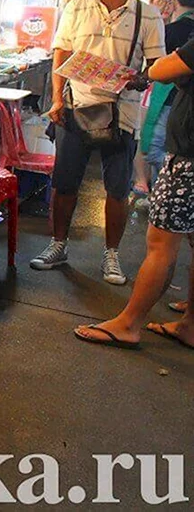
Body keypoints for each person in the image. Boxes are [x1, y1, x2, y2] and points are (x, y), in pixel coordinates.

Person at [31, 0, 165, 285]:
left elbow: (155, 66)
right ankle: (58, 245)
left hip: (122, 112)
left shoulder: (147, 15)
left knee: (117, 188)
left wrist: (139, 78)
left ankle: (111, 256)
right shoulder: (77, 7)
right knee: (65, 181)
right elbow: (61, 54)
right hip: (77, 105)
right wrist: (58, 100)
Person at [73, 32, 194, 349]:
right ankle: (191, 324)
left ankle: (128, 324)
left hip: (189, 160)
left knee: (161, 244)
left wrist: (169, 61)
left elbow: (161, 69)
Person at [134, 0, 194, 197]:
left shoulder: (176, 30)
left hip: (173, 104)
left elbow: (158, 70)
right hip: (175, 105)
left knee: (155, 148)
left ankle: (163, 193)